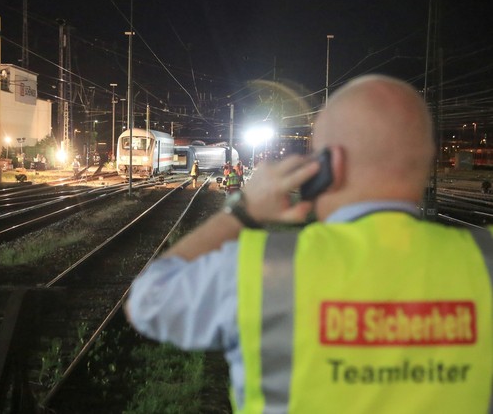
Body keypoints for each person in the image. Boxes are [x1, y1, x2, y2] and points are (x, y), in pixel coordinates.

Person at [125, 75, 493, 413]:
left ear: (328, 164)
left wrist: (243, 213)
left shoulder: (260, 271)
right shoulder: (484, 260)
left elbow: (149, 302)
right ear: (426, 160)